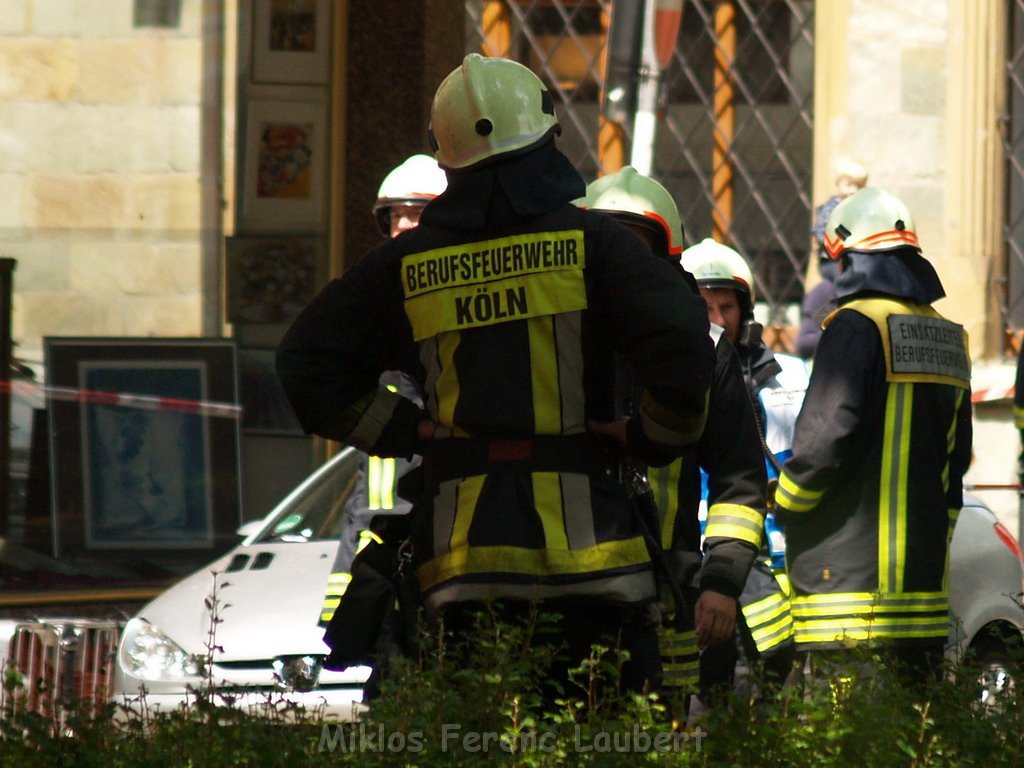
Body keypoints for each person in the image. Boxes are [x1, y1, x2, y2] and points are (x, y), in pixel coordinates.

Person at [277, 53, 717, 701]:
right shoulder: (598, 248)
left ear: (445, 156)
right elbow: (684, 348)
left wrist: (412, 430)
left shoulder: (406, 264)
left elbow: (306, 364)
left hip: (459, 571)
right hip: (595, 569)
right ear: (544, 137)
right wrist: (646, 437)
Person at [578, 167, 767, 709]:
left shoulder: (707, 351)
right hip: (561, 593)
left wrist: (724, 580)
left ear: (667, 261)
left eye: (633, 253)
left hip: (663, 591)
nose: (617, 269)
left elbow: (739, 476)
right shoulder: (546, 336)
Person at [774, 187, 972, 685]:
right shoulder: (950, 336)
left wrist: (785, 505)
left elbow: (820, 444)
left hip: (845, 599)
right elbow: (957, 459)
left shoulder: (855, 327)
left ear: (848, 258)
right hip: (923, 599)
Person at [318, 154, 447, 629]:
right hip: (389, 561)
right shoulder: (377, 318)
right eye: (394, 216)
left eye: (414, 213)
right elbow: (365, 499)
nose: (401, 226)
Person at [681, 238, 808, 691]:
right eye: (704, 306)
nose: (716, 320)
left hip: (783, 572)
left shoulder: (792, 379)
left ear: (745, 311)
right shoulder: (667, 377)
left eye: (726, 307)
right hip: (703, 568)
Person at [798, 159, 869, 359]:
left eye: (858, 186)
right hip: (830, 259)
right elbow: (804, 344)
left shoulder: (862, 210)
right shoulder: (825, 293)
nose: (852, 191)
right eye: (849, 184)